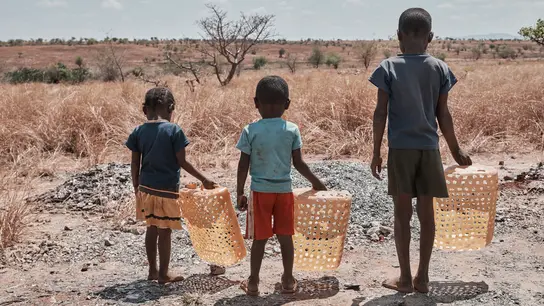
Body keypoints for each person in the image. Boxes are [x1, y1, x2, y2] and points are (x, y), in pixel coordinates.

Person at [369, 8, 472, 294]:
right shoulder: (439, 67)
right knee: (427, 215)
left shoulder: (387, 67)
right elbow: (444, 114)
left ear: (398, 36)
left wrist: (376, 151)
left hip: (400, 151)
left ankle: (404, 279)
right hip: (429, 150)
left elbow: (380, 114)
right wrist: (455, 150)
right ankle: (423, 279)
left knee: (402, 215)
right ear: (430, 37)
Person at [236, 76, 327, 296]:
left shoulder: (250, 130)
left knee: (260, 239)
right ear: (287, 104)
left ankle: (254, 282)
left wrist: (239, 191)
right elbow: (299, 163)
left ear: (255, 102)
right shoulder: (292, 129)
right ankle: (287, 280)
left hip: (260, 193)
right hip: (284, 192)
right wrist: (316, 183)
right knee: (286, 237)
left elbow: (243, 164)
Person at [126, 87, 223, 284]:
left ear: (145, 109)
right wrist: (204, 179)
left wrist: (136, 186)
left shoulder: (138, 131)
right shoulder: (174, 130)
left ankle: (152, 270)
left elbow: (135, 163)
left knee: (151, 227)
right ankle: (164, 273)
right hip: (166, 190)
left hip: (145, 189)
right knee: (165, 231)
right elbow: (182, 162)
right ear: (171, 108)